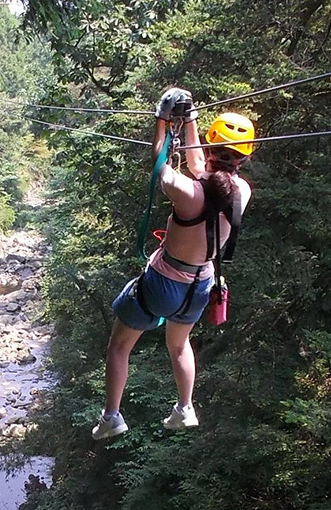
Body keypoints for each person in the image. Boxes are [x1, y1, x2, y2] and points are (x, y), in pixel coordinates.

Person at [91, 88, 255, 440]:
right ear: (242, 159)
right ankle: (185, 407)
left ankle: (112, 416)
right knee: (179, 345)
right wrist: (191, 119)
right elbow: (203, 169)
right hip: (201, 285)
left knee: (120, 346)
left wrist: (163, 121)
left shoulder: (186, 191)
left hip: (164, 283)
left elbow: (160, 161)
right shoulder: (241, 192)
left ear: (211, 150)